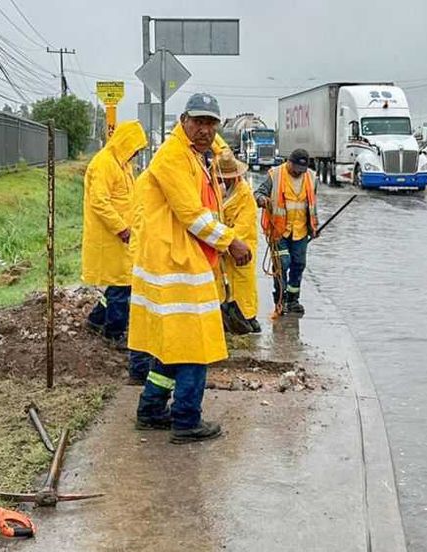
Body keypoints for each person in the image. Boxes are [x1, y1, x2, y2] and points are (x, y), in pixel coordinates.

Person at [129, 93, 253, 444]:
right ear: (183, 120)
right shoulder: (173, 156)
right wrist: (231, 241)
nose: (205, 129)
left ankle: (151, 409)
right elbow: (191, 213)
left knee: (173, 344)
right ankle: (186, 419)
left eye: (211, 123)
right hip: (176, 263)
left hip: (181, 259)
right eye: (199, 121)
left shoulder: (196, 156)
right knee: (196, 345)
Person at [81, 120, 147, 349]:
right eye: (136, 148)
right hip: (112, 236)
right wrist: (121, 228)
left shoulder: (122, 164)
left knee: (120, 282)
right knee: (122, 284)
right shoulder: (104, 164)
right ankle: (114, 333)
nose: (137, 153)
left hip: (123, 236)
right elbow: (99, 201)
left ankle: (96, 319)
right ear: (126, 143)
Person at [255, 149, 318, 316]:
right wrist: (262, 200)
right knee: (282, 264)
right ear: (288, 162)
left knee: (298, 264)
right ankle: (280, 299)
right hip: (278, 232)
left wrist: (314, 227)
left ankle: (293, 299)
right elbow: (258, 193)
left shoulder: (311, 177)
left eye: (301, 169)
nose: (298, 172)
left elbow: (312, 205)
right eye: (295, 167)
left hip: (300, 231)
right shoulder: (275, 175)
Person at [217, 150, 261, 333]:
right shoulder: (219, 191)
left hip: (241, 248)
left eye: (228, 177)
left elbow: (243, 226)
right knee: (225, 287)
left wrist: (226, 241)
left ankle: (249, 319)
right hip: (223, 247)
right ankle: (229, 319)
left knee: (244, 285)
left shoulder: (245, 195)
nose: (225, 180)